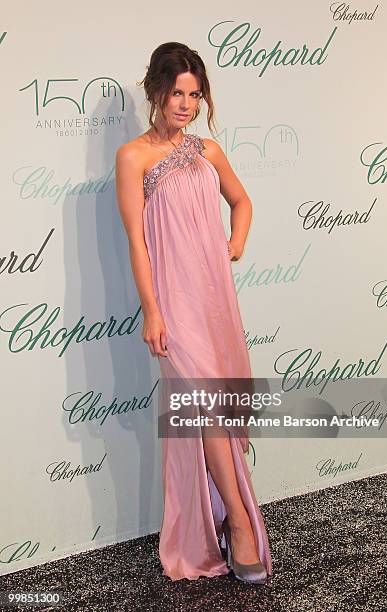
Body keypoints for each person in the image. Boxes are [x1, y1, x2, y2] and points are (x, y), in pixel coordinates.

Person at [115, 42, 272, 584]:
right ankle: (240, 523)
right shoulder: (133, 156)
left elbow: (242, 200)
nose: (185, 104)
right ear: (155, 91)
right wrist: (151, 311)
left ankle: (227, 521)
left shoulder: (208, 150)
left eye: (194, 94)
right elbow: (138, 243)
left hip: (212, 297)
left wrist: (234, 243)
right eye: (176, 92)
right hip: (173, 304)